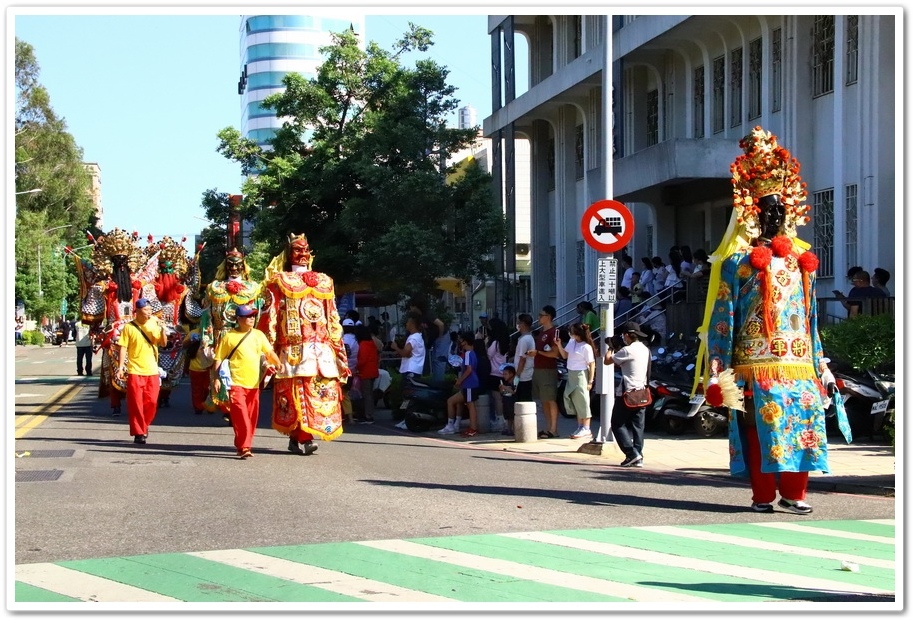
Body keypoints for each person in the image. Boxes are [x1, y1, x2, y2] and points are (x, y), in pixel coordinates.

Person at [696, 126, 851, 514]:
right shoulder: (738, 264)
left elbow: (811, 320)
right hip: (753, 365)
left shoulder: (803, 265)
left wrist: (821, 364)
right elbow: (722, 320)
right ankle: (763, 495)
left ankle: (795, 493)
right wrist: (718, 370)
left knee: (803, 427)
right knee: (756, 431)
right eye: (767, 209)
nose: (775, 215)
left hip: (798, 365)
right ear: (751, 213)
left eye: (781, 209)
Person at [259, 234, 350, 456]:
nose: (302, 254)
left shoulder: (324, 281)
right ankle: (303, 438)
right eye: (297, 250)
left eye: (305, 250)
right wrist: (268, 353)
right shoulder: (279, 281)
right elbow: (269, 318)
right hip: (293, 352)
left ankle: (300, 437)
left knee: (320, 395)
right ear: (288, 254)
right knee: (295, 396)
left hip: (322, 353)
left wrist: (339, 352)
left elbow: (333, 319)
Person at [212, 304, 280, 459]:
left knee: (251, 417)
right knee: (241, 416)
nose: (252, 318)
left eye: (253, 316)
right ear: (239, 319)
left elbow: (269, 352)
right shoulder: (229, 336)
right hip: (235, 383)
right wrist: (216, 379)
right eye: (248, 316)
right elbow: (218, 359)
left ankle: (244, 444)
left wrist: (278, 364)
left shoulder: (258, 335)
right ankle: (244, 447)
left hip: (254, 384)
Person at [115, 298, 167, 445]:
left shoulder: (154, 323)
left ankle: (144, 425)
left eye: (150, 310)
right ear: (137, 311)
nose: (149, 313)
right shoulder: (129, 327)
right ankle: (139, 432)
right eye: (146, 310)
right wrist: (120, 367)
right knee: (136, 403)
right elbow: (123, 347)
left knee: (151, 402)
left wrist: (163, 330)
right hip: (135, 370)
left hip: (152, 370)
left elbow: (163, 343)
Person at [603, 321, 651, 467]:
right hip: (642, 392)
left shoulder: (627, 351)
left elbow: (607, 361)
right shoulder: (645, 349)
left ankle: (631, 454)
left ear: (626, 336)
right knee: (638, 426)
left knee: (617, 424)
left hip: (628, 393)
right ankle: (638, 456)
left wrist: (611, 347)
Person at [555, 322, 596, 440]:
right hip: (571, 373)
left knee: (583, 400)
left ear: (577, 334)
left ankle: (586, 428)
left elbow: (592, 364)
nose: (570, 334)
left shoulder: (586, 347)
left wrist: (590, 381)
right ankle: (580, 426)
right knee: (573, 399)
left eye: (572, 332)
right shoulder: (572, 342)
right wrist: (558, 345)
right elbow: (564, 355)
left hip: (581, 374)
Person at [440, 331, 480, 437]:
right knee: (462, 403)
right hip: (470, 384)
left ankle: (472, 428)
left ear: (466, 341)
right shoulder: (473, 353)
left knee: (470, 405)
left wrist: (460, 380)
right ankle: (458, 426)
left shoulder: (467, 354)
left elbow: (469, 370)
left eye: (462, 341)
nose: (460, 343)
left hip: (469, 384)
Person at [390, 314, 426, 429]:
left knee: (408, 396)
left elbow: (406, 353)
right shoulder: (418, 337)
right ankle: (405, 419)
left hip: (410, 370)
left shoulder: (413, 338)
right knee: (407, 396)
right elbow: (408, 353)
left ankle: (408, 420)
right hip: (414, 369)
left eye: (408, 322)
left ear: (413, 324)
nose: (406, 324)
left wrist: (396, 347)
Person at [532, 305, 561, 439]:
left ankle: (553, 429)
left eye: (541, 315)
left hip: (548, 370)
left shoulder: (553, 332)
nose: (538, 318)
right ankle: (548, 427)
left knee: (550, 399)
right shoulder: (542, 332)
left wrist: (538, 352)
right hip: (538, 368)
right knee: (544, 400)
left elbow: (555, 354)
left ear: (548, 317)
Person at [484, 317, 510, 432]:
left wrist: (485, 345)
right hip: (502, 373)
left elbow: (488, 356)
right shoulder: (505, 342)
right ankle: (503, 420)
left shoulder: (495, 343)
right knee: (501, 398)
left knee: (497, 398)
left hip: (494, 373)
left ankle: (500, 420)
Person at [354, 324, 380, 424]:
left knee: (366, 394)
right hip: (373, 371)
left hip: (365, 372)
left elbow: (362, 360)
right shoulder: (371, 343)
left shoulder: (363, 344)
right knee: (369, 394)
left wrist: (357, 368)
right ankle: (369, 414)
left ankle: (368, 415)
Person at [512, 313, 536, 405]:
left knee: (523, 402)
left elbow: (523, 359)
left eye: (518, 322)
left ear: (522, 324)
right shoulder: (528, 338)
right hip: (526, 374)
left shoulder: (524, 340)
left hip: (523, 375)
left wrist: (517, 375)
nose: (517, 325)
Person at [341, 318, 360, 424]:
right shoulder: (356, 341)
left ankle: (345, 416)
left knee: (340, 394)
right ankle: (350, 417)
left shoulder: (342, 340)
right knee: (346, 394)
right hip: (353, 370)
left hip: (342, 371)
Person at [498, 364, 518, 436]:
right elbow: (502, 393)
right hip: (506, 400)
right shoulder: (505, 383)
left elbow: (514, 392)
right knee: (508, 416)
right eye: (503, 374)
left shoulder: (515, 381)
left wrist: (505, 387)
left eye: (506, 374)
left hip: (512, 401)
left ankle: (514, 429)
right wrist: (501, 389)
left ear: (511, 374)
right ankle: (509, 429)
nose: (504, 376)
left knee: (512, 416)